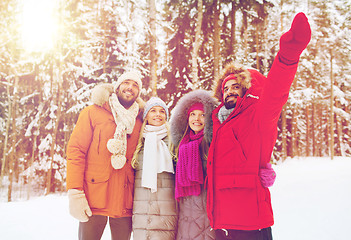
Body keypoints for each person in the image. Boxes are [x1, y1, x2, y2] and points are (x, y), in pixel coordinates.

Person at [206, 12, 311, 240]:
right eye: (225, 88)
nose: (229, 91)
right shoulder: (217, 123)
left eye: (236, 87)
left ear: (246, 90)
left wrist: (289, 54)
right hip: (222, 223)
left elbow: (276, 91)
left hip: (250, 223)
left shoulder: (257, 115)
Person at [66, 71, 144, 240]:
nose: (130, 88)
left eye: (135, 85)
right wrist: (75, 192)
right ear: (117, 87)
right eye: (126, 83)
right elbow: (76, 151)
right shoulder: (92, 113)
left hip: (125, 200)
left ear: (139, 92)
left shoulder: (140, 121)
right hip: (94, 197)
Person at [170, 90, 217, 240]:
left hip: (207, 215)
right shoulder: (180, 146)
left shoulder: (212, 144)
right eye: (192, 114)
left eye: (202, 114)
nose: (196, 119)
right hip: (185, 216)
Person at [131, 97, 178, 239]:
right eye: (153, 111)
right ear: (146, 116)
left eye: (162, 111)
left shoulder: (173, 141)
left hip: (166, 211)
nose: (158, 114)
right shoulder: (138, 142)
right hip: (141, 211)